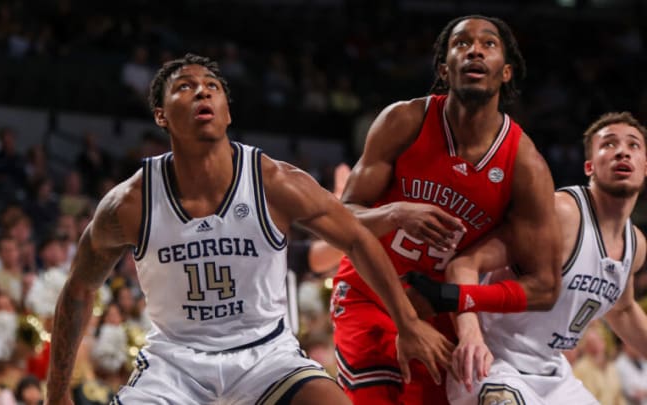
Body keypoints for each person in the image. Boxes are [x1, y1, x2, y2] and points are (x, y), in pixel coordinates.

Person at [45, 53, 453, 405]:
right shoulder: (129, 204)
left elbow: (357, 238)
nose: (202, 92)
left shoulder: (273, 181)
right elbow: (79, 289)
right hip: (175, 366)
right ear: (161, 115)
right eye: (185, 87)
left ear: (227, 111)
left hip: (266, 356)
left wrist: (407, 322)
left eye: (212, 86)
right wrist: (57, 393)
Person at [330, 15, 561, 404]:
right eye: (461, 44)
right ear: (444, 68)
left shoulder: (526, 166)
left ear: (505, 72)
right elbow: (339, 217)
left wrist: (458, 298)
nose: (474, 50)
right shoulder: (403, 121)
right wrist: (394, 213)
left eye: (488, 44)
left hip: (441, 316)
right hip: (368, 295)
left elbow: (545, 286)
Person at [444, 112, 647, 404]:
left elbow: (623, 309)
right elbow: (464, 264)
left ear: (645, 167)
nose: (622, 151)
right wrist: (470, 336)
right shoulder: (562, 213)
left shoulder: (636, 244)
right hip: (495, 364)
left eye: (633, 145)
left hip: (553, 374)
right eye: (609, 145)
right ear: (589, 166)